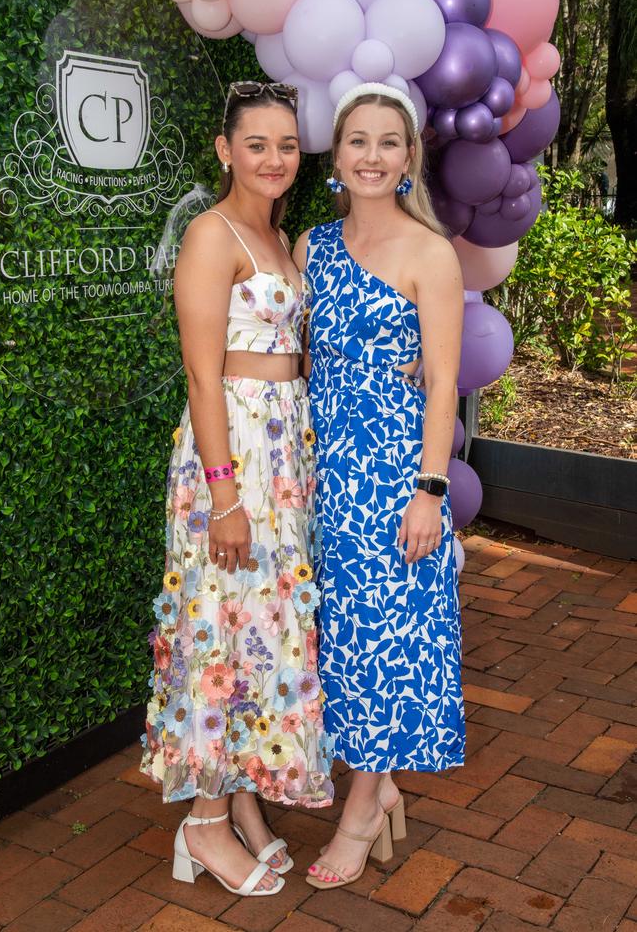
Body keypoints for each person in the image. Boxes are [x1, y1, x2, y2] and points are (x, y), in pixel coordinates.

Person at [141, 81, 333, 898]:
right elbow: (201, 373)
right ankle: (204, 823)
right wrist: (225, 497)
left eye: (286, 145)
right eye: (257, 144)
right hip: (236, 460)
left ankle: (243, 802)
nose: (274, 158)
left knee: (264, 626)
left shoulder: (279, 234)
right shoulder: (211, 234)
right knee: (223, 627)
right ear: (225, 150)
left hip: (282, 458)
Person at [293, 83, 466, 890]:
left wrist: (429, 491)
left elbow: (441, 385)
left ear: (408, 158)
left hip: (395, 475)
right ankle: (378, 781)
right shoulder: (310, 248)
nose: (370, 155)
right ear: (337, 153)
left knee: (386, 640)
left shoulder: (431, 253)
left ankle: (362, 805)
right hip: (325, 472)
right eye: (356, 140)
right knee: (341, 640)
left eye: (387, 142)